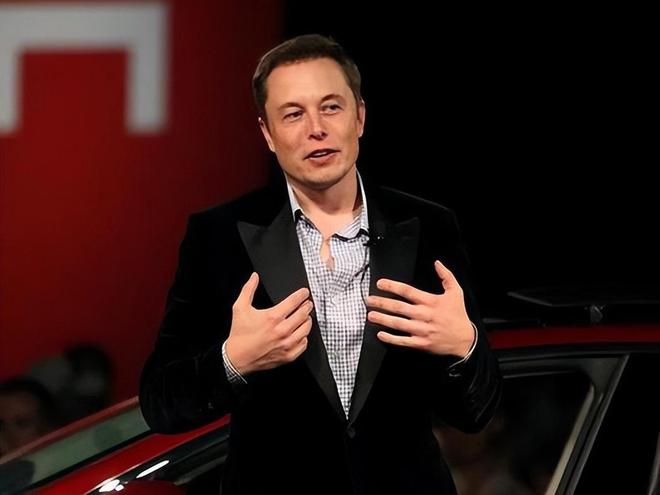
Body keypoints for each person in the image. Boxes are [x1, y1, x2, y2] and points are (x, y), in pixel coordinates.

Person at [140, 34, 502, 495]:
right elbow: (161, 402)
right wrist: (234, 360)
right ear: (267, 134)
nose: (316, 128)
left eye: (331, 107)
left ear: (360, 117)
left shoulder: (429, 226)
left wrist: (464, 346)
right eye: (293, 114)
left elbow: (476, 413)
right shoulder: (218, 236)